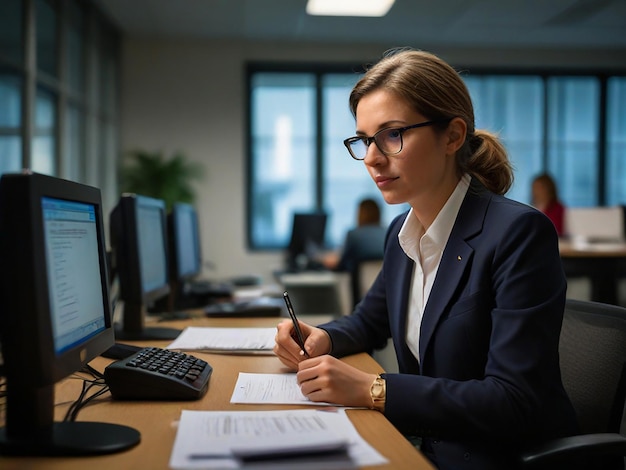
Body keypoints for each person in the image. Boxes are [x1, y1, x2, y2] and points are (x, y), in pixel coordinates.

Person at [274, 48, 578, 469]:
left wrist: (374, 390)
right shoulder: (401, 233)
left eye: (392, 135)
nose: (372, 158)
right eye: (364, 140)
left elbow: (513, 400)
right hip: (422, 445)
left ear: (452, 136)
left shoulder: (517, 234)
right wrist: (322, 337)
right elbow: (368, 321)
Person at [322, 198, 386, 273]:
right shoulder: (388, 232)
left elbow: (343, 264)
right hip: (386, 282)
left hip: (358, 282)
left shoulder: (354, 235)